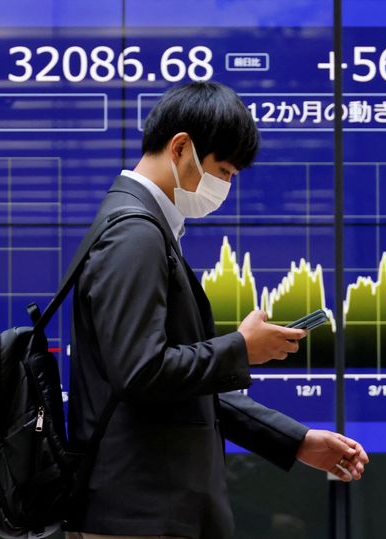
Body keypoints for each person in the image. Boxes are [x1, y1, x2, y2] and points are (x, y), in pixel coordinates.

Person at [64, 81, 369, 539]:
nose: (225, 186)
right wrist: (240, 349)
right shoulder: (135, 235)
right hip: (139, 515)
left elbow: (182, 389)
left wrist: (295, 441)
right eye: (222, 170)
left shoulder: (145, 230)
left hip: (151, 513)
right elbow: (141, 371)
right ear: (182, 147)